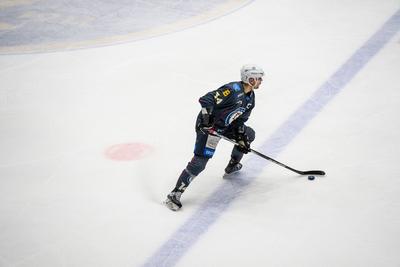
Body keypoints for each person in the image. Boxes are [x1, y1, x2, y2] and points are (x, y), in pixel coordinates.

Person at [165, 64, 264, 211]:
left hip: (225, 126)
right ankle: (175, 194)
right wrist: (207, 119)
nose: (261, 81)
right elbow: (206, 99)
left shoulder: (251, 98)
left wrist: (241, 136)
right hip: (208, 129)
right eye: (258, 78)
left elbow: (240, 120)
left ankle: (232, 166)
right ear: (249, 78)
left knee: (249, 135)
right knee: (199, 163)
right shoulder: (232, 90)